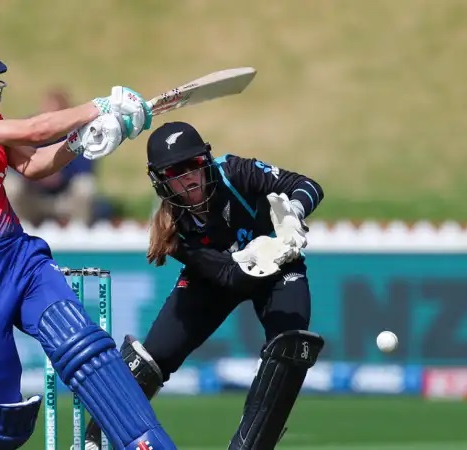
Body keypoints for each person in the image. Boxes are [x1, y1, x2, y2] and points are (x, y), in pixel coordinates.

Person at [0, 21, 177, 450]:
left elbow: (34, 164)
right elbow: (34, 131)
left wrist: (81, 142)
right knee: (6, 419)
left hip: (18, 255)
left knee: (86, 349)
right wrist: (98, 107)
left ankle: (147, 442)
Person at [79, 121, 327, 450]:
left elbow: (308, 185)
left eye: (192, 165)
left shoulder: (235, 172)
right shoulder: (173, 228)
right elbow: (228, 277)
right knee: (155, 357)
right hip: (215, 279)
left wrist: (293, 214)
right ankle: (97, 437)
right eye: (174, 173)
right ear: (161, 180)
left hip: (281, 273)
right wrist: (268, 249)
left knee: (290, 346)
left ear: (205, 161)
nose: (187, 178)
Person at [6, 88, 104, 226]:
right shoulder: (29, 131)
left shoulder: (80, 132)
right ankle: (18, 227)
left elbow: (86, 167)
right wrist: (39, 175)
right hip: (33, 195)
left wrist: (59, 173)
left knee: (86, 185)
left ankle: (79, 231)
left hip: (65, 196)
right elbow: (13, 164)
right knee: (10, 184)